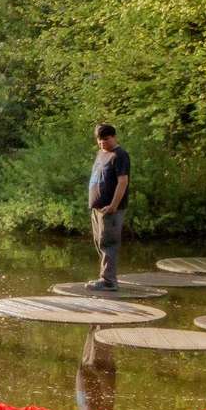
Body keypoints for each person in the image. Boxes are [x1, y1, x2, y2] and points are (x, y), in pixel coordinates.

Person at [87, 123, 131, 290]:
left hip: (111, 208)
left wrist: (113, 205)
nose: (102, 143)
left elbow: (123, 181)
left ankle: (109, 281)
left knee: (109, 243)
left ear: (113, 137)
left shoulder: (120, 155)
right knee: (100, 242)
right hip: (97, 208)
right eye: (99, 140)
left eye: (105, 139)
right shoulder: (101, 153)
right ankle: (104, 277)